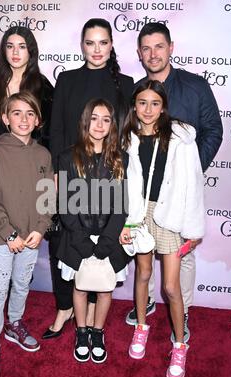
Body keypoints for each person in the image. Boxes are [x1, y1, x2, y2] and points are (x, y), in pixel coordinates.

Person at [125, 22, 223, 343]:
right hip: (146, 197)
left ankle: (184, 313)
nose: (153, 54)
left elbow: (213, 130)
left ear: (171, 48)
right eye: (147, 48)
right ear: (139, 54)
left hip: (181, 195)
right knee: (144, 257)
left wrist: (190, 171)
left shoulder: (195, 86)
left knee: (182, 255)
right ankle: (147, 303)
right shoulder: (137, 91)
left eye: (159, 46)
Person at [44, 18, 134, 339]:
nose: (96, 50)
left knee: (102, 243)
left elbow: (126, 137)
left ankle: (95, 312)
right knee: (66, 241)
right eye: (90, 43)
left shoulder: (126, 82)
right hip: (70, 175)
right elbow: (55, 130)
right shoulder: (67, 80)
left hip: (109, 175)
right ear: (81, 45)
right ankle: (65, 307)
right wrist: (55, 172)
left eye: (103, 42)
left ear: (111, 45)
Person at [0, 26, 54, 325]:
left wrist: (51, 175)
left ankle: (15, 312)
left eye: (23, 46)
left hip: (28, 171)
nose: (16, 52)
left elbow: (50, 135)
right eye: (10, 46)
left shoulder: (43, 87)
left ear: (31, 51)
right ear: (3, 50)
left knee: (24, 235)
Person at [120, 80, 204, 377]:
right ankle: (141, 327)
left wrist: (193, 228)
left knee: (170, 287)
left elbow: (193, 183)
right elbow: (127, 185)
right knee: (142, 275)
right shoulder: (128, 139)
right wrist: (128, 222)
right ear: (135, 105)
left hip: (168, 215)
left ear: (163, 106)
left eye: (155, 103)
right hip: (140, 215)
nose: (148, 109)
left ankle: (180, 343)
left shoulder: (180, 137)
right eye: (142, 102)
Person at [0, 92, 55, 377]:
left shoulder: (43, 155)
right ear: (5, 118)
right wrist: (8, 233)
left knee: (22, 283)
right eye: (17, 113)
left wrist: (40, 228)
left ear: (38, 119)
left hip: (31, 236)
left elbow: (48, 198)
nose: (24, 119)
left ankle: (15, 324)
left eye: (30, 114)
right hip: (1, 237)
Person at [57, 98, 128, 363]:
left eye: (106, 119)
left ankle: (97, 332)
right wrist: (81, 239)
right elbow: (65, 204)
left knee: (104, 288)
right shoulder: (67, 157)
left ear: (112, 125)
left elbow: (121, 205)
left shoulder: (120, 158)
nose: (100, 125)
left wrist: (108, 240)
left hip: (108, 236)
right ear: (86, 120)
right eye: (95, 118)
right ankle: (81, 330)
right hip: (78, 236)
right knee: (81, 285)